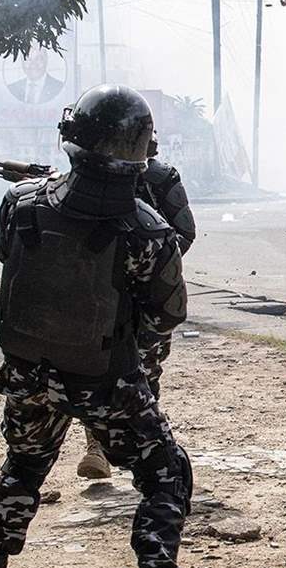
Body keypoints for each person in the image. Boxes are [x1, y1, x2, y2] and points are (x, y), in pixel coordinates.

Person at [0, 85, 219, 568]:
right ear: (143, 149)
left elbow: (15, 264)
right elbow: (165, 316)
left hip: (29, 370)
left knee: (24, 467)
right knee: (166, 474)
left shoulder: (22, 203)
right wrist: (133, 380)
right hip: (106, 377)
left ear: (71, 137)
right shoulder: (148, 230)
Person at [76, 146, 200, 480]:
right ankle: (100, 449)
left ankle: (146, 454)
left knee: (142, 374)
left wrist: (146, 258)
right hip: (103, 292)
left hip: (145, 295)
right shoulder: (87, 176)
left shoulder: (159, 177)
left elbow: (183, 233)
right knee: (95, 372)